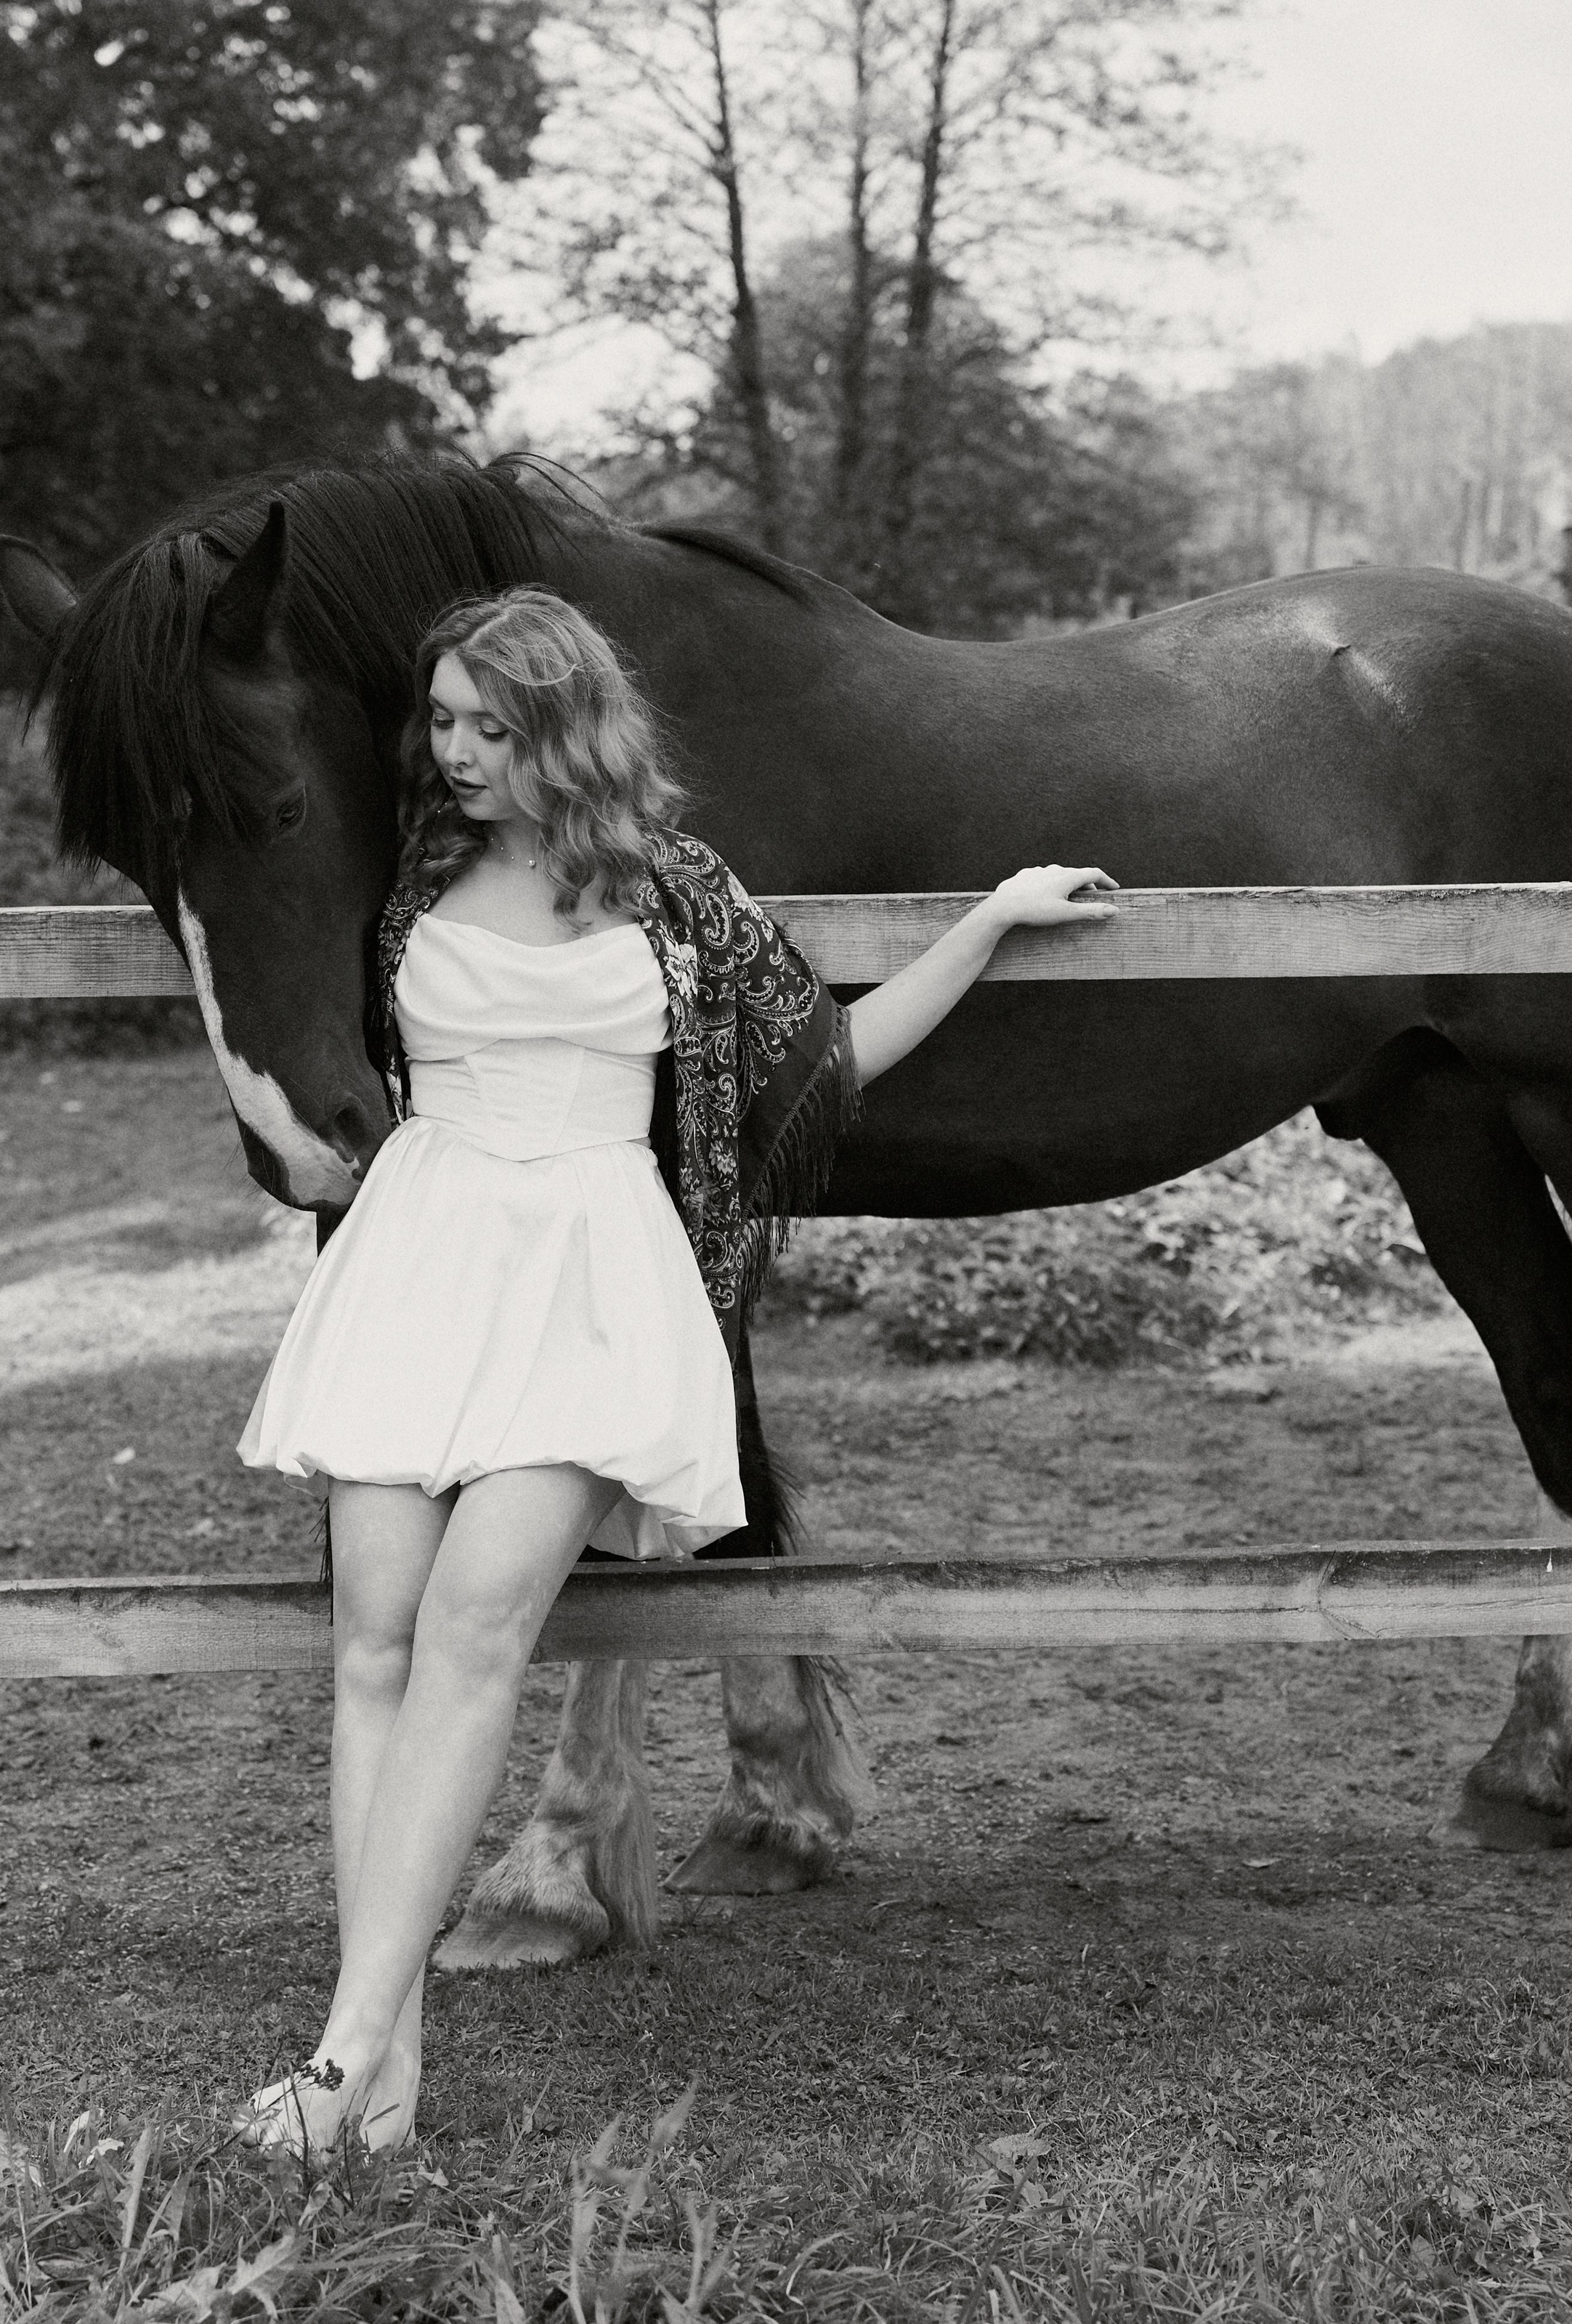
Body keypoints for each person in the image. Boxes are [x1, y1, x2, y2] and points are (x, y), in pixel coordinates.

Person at [232, 585, 1117, 2155]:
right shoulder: (407, 878)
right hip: (416, 1260)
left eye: (490, 730)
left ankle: (339, 2052)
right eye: (440, 724)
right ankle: (381, 2071)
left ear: (566, 730)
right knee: (370, 1644)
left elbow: (820, 1064)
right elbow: (263, 933)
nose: (454, 758)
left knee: (475, 1625)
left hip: (588, 1275)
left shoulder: (674, 894)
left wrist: (986, 919)